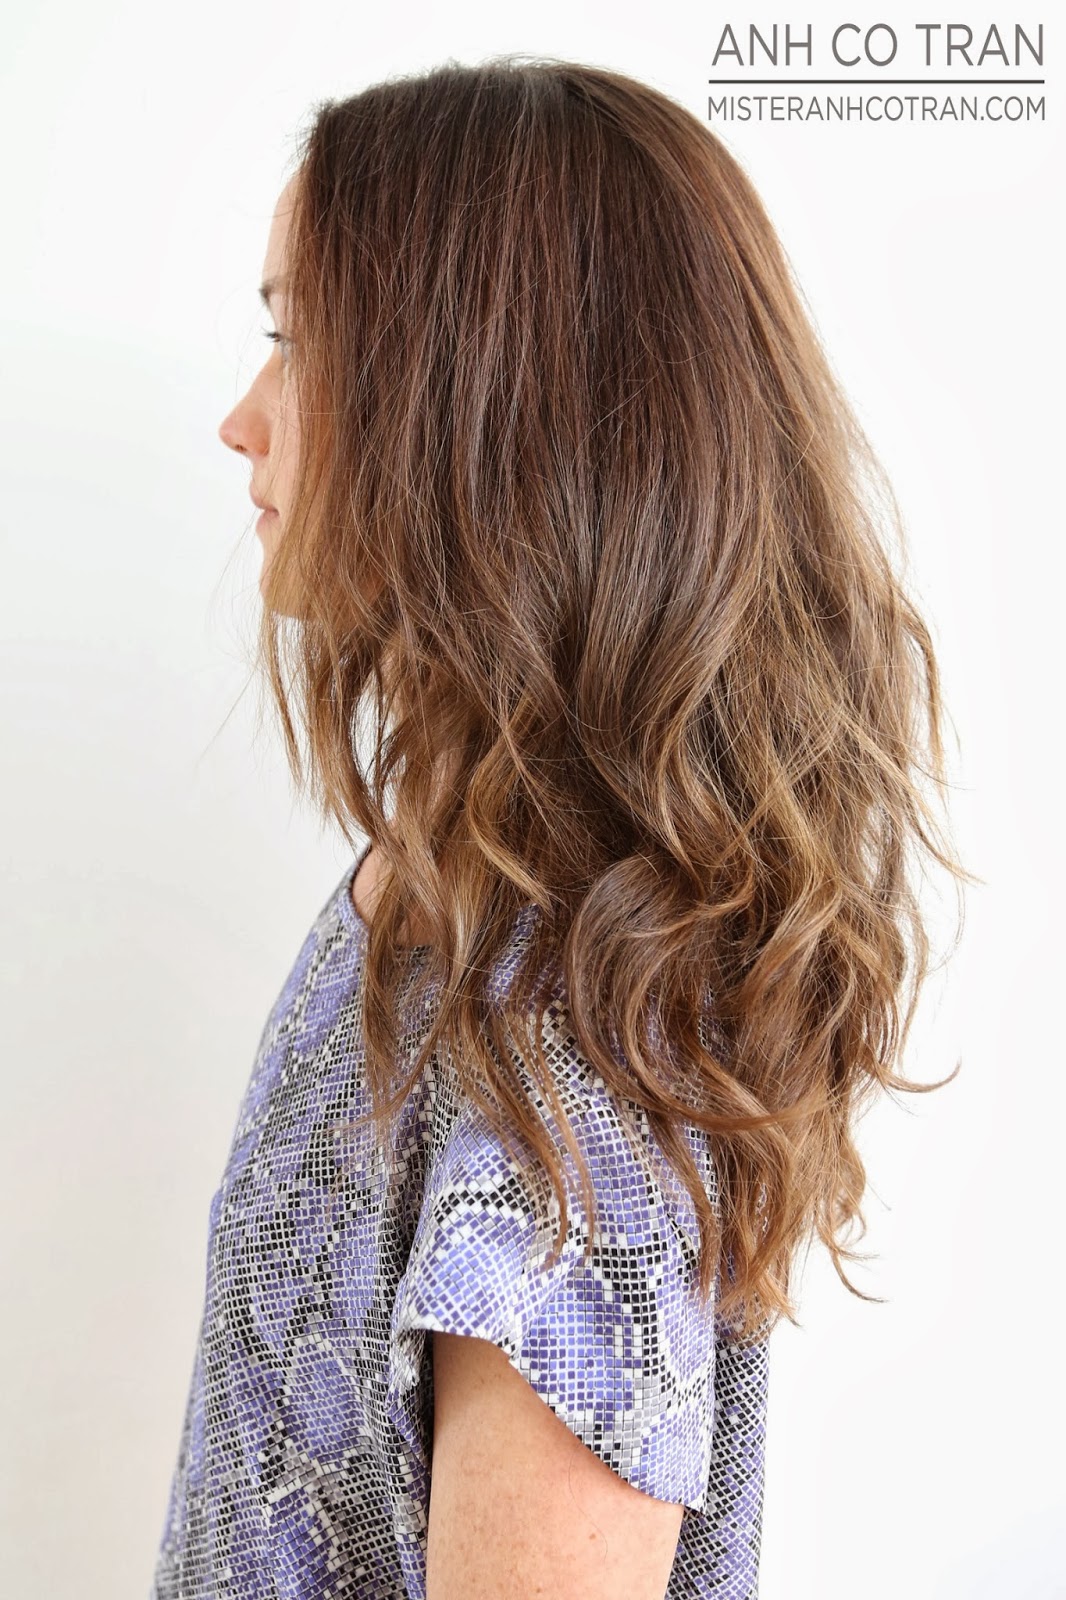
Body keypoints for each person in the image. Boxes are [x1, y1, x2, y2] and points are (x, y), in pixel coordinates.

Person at [152, 55, 971, 1600]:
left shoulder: (559, 1037)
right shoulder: (448, 903)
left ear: (478, 405)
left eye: (296, 340)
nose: (240, 423)